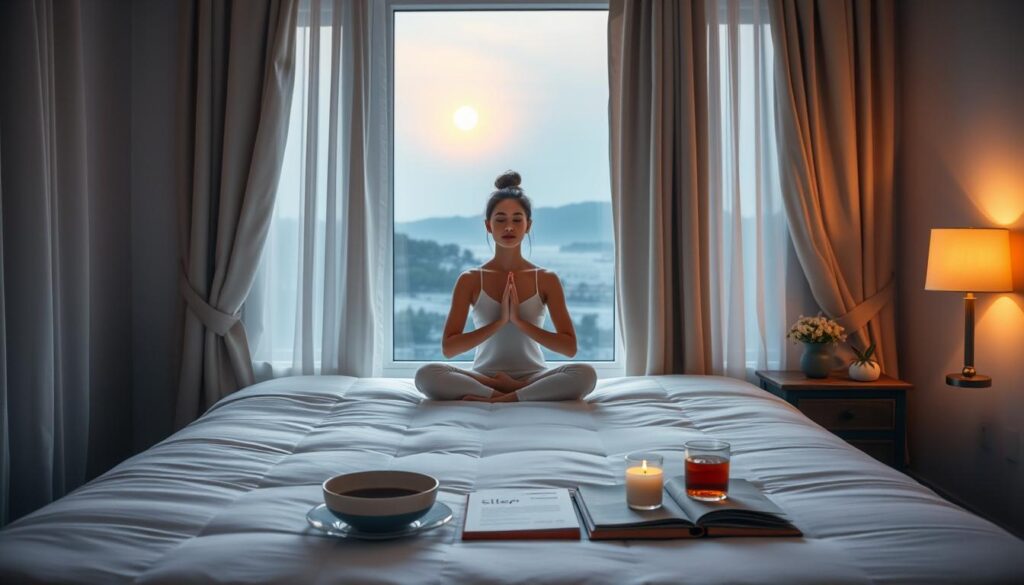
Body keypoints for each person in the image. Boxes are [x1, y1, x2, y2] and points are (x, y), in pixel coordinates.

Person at [414, 170, 598, 403]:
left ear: (528, 225)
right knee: (426, 375)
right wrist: (499, 322)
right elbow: (449, 349)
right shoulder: (470, 279)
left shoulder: (546, 279)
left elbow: (569, 348)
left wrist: (519, 321)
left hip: (533, 376)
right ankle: (510, 392)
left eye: (517, 220)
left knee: (586, 374)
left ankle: (502, 396)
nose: (509, 227)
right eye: (500, 220)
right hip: (483, 376)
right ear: (488, 226)